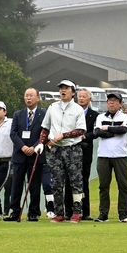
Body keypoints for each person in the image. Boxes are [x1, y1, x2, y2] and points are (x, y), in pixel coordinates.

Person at [39, 79, 87, 223]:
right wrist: (41, 143)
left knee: (76, 181)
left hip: (73, 148)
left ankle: (77, 212)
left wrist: (64, 135)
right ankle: (59, 212)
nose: (63, 91)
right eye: (61, 88)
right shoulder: (52, 107)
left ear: (73, 92)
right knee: (56, 182)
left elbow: (80, 130)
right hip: (55, 149)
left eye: (66, 88)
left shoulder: (78, 109)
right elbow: (45, 128)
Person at [9, 88, 47, 222]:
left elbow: (45, 132)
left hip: (36, 154)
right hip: (20, 154)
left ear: (38, 97)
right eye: (26, 96)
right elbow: (13, 133)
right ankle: (15, 211)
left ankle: (33, 212)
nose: (28, 98)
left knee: (35, 184)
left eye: (31, 96)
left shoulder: (44, 114)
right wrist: (23, 147)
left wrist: (34, 146)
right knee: (17, 184)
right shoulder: (18, 114)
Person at [93, 91, 127, 222]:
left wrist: (107, 128)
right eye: (109, 100)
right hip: (103, 155)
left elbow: (123, 130)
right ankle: (103, 213)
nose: (111, 103)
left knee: (123, 185)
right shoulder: (100, 117)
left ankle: (123, 213)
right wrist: (113, 131)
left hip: (120, 155)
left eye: (115, 100)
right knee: (103, 185)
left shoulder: (126, 117)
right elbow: (97, 132)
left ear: (120, 104)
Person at [66, 88, 99, 220]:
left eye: (84, 96)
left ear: (89, 99)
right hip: (69, 151)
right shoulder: (70, 112)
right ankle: (68, 211)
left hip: (85, 152)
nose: (81, 98)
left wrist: (83, 137)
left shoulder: (94, 115)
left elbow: (95, 133)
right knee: (69, 181)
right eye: (79, 96)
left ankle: (85, 212)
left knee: (84, 181)